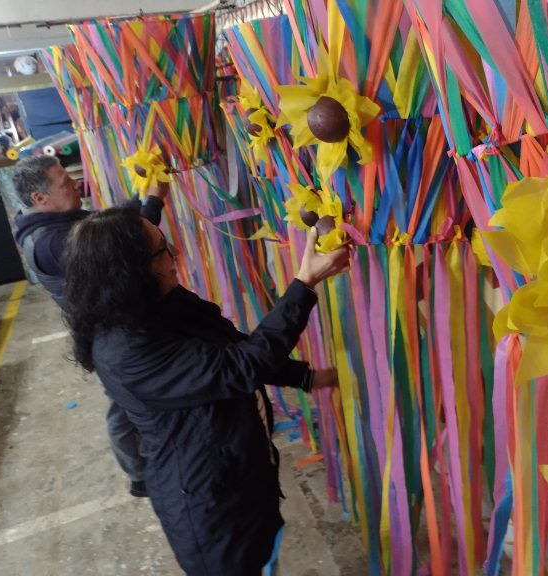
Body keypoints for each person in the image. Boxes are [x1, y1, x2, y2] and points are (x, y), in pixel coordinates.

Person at [63, 206, 350, 575]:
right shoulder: (126, 351)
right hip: (211, 507)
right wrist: (304, 284)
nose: (175, 253)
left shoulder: (157, 302)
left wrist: (305, 377)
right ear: (131, 271)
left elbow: (232, 349)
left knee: (265, 554)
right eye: (163, 248)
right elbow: (244, 365)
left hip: (240, 476)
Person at [12, 155, 167, 498]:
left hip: (111, 325)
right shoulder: (50, 243)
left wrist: (140, 197)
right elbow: (123, 246)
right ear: (39, 198)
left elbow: (104, 223)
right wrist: (153, 202)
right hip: (107, 334)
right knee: (126, 403)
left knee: (128, 399)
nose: (75, 184)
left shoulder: (54, 219)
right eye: (64, 183)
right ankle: (140, 474)